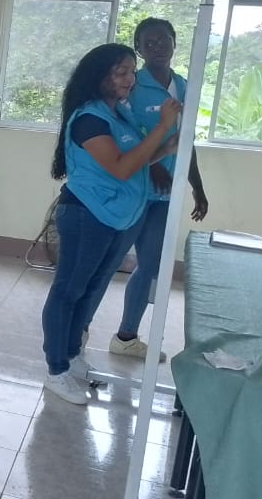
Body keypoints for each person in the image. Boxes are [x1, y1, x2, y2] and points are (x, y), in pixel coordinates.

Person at [41, 44, 179, 405]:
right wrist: (162, 127)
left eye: (132, 72)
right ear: (99, 77)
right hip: (87, 216)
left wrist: (167, 147)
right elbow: (120, 167)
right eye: (121, 72)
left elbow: (137, 158)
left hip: (115, 217)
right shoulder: (90, 119)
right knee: (68, 292)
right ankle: (56, 370)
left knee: (89, 291)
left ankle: (72, 355)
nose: (130, 79)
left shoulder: (119, 114)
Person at [110, 18, 209, 361]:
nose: (157, 47)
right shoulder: (132, 87)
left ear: (174, 43)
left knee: (150, 266)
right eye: (148, 43)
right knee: (106, 262)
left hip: (165, 196)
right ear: (138, 49)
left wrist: (198, 187)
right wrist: (152, 167)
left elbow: (185, 141)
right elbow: (124, 136)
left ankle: (126, 337)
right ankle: (79, 330)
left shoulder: (182, 87)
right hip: (133, 190)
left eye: (163, 40)